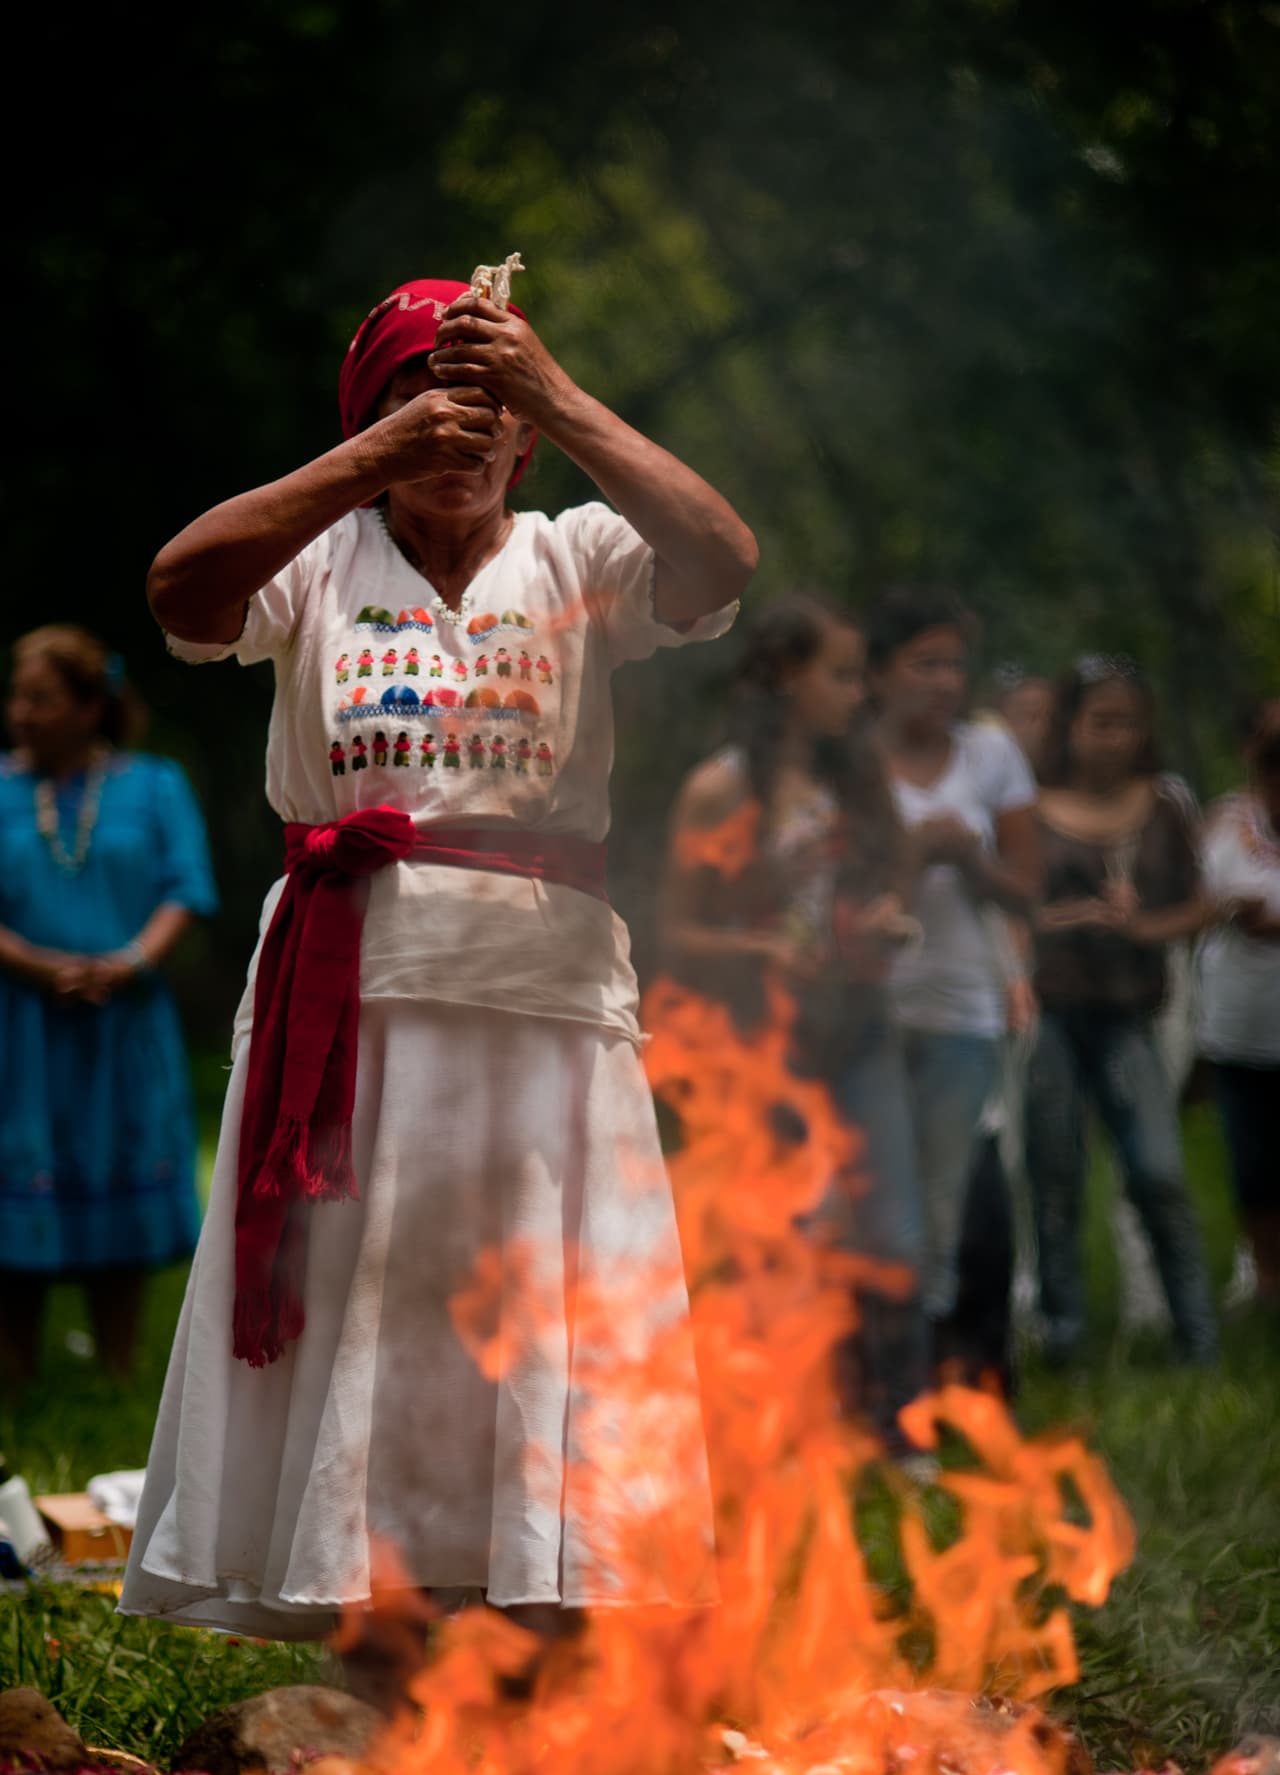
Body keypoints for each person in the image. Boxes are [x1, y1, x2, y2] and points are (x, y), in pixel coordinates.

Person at [119, 272, 757, 1639]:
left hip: (547, 998)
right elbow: (180, 589)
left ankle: (542, 1594)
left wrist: (553, 391)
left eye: (484, 409)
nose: (457, 433)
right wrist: (372, 458)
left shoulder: (577, 555)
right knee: (367, 1292)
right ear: (374, 421)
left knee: (546, 1289)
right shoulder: (318, 560)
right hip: (352, 989)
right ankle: (366, 1603)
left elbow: (722, 559)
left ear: (523, 435)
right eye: (422, 403)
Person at [659, 593, 927, 1445]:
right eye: (840, 674)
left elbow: (895, 880)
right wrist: (762, 947)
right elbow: (674, 931)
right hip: (763, 1040)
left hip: (860, 1025)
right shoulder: (721, 789)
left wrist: (886, 919)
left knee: (892, 1230)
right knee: (780, 1235)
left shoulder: (860, 780)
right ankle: (788, 1428)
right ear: (784, 676)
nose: (860, 692)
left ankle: (896, 1425)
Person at [0, 625, 216, 1383]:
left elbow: (186, 888)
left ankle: (118, 1374)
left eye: (40, 699)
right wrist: (39, 967)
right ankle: (15, 1375)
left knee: (120, 1158)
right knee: (17, 1167)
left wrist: (127, 964)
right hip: (17, 1025)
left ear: (91, 706)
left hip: (124, 1019)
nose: (20, 713)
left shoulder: (154, 786)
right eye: (17, 697)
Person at [1026, 655, 1217, 1366]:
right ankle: (1064, 1341)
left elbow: (1201, 904)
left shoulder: (1164, 806)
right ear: (1070, 724)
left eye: (1130, 724)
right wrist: (1067, 918)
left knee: (1158, 1174)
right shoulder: (1029, 804)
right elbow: (1009, 906)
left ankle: (1198, 1342)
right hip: (1052, 1013)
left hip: (1131, 1014)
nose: (1117, 738)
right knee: (1055, 1178)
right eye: (1102, 722)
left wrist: (1143, 926)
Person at [868, 589, 1040, 1341]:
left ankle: (933, 1360)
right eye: (924, 664)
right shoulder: (852, 760)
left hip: (964, 1009)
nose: (943, 682)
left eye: (954, 666)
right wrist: (908, 859)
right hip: (869, 1009)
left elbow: (1028, 888)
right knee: (876, 1195)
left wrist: (973, 862)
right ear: (878, 672)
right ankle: (872, 1359)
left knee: (946, 1197)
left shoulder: (990, 754)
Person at [1197, 695, 1280, 1306]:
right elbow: (1192, 899)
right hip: (1238, 1024)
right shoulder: (1224, 821)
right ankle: (1266, 1277)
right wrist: (1225, 909)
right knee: (1253, 1162)